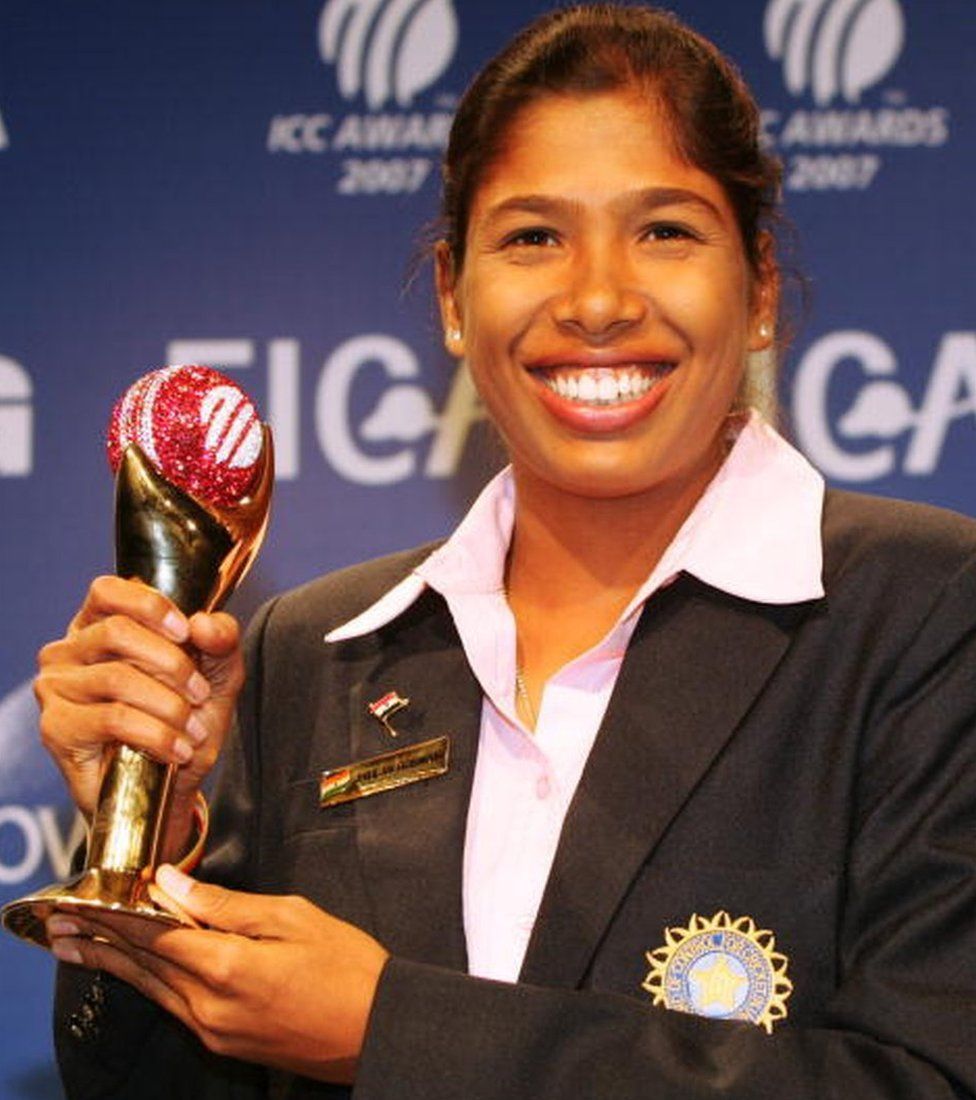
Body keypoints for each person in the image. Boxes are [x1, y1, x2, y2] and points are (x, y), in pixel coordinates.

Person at [38, 5, 976, 1098]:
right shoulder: (321, 649)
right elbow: (151, 1087)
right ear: (451, 296)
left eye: (664, 229)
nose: (595, 300)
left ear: (760, 289)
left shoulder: (928, 611)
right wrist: (150, 831)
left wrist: (391, 1027)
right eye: (533, 235)